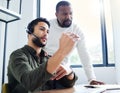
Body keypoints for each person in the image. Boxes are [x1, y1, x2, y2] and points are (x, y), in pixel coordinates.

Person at [7, 17, 79, 93]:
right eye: (42, 29)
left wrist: (69, 72)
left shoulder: (48, 59)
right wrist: (61, 51)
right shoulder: (17, 55)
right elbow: (29, 83)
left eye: (47, 31)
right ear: (29, 33)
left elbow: (68, 84)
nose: (46, 34)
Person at [45, 1, 105, 85]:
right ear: (56, 14)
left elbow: (84, 55)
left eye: (71, 13)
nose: (68, 17)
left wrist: (91, 79)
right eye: (64, 14)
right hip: (45, 65)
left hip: (63, 70)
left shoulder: (77, 30)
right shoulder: (47, 26)